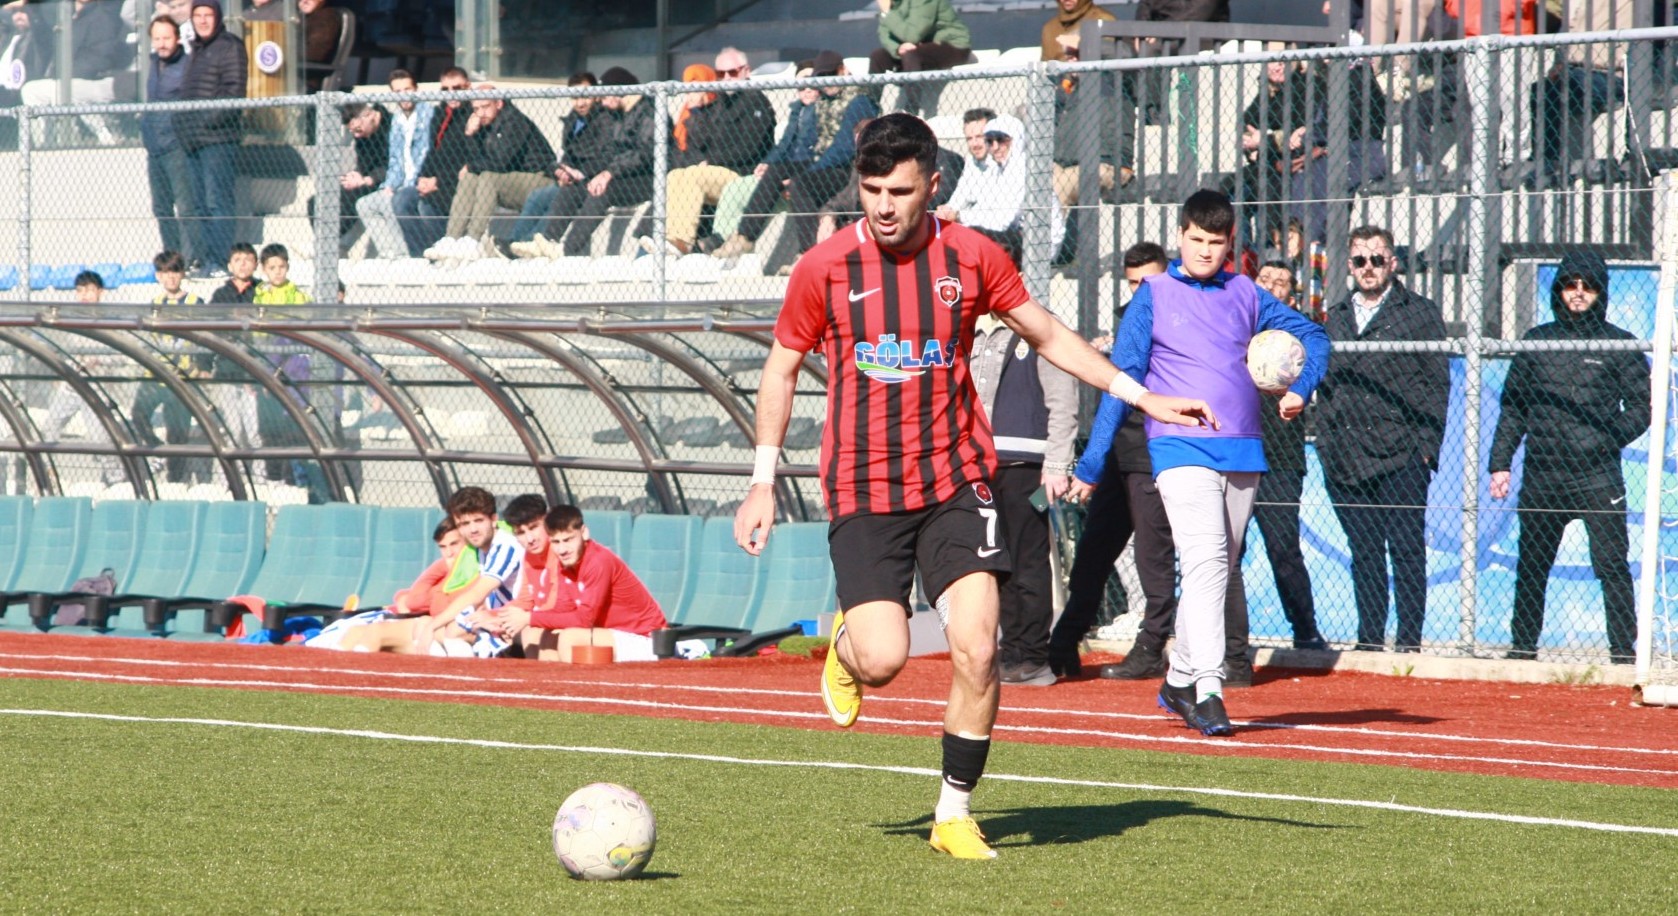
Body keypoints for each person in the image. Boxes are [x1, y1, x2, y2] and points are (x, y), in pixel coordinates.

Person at [732, 113, 1216, 859]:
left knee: (979, 649)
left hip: (958, 479)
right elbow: (781, 367)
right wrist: (762, 480)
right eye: (870, 190)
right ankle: (850, 649)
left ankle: (953, 814)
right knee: (886, 656)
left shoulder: (972, 255)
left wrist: (1142, 394)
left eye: (899, 189)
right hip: (863, 487)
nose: (883, 206)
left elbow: (1049, 335)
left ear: (933, 184)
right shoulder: (823, 266)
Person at [1068, 190, 1330, 736]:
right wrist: (1092, 463)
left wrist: (1301, 387)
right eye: (1196, 241)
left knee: (1215, 570)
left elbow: (1315, 336)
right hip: (1176, 447)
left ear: (1230, 243)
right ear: (1180, 236)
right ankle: (1209, 687)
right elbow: (1121, 381)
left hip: (1244, 450)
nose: (1205, 252)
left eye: (1216, 243)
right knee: (1207, 559)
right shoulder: (1155, 296)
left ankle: (1179, 678)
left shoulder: (1246, 293)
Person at [1490, 251, 1648, 663]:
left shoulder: (1621, 345)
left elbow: (1640, 408)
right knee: (1532, 566)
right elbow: (1514, 408)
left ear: (1601, 291)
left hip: (1597, 476)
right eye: (1570, 283)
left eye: (1588, 285)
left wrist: (1606, 438)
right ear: (1559, 288)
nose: (1578, 293)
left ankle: (1623, 654)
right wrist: (1500, 464)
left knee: (1612, 566)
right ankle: (1522, 649)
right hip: (1544, 475)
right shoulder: (1536, 340)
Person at [1047, 244, 1183, 683]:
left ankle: (1151, 645)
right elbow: (1118, 386)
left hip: (1152, 453)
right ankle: (1064, 643)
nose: (1140, 289)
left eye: (1148, 279)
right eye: (1132, 282)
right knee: (1094, 552)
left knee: (1153, 556)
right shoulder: (1130, 315)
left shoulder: (1180, 311)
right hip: (1119, 453)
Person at [1315, 225, 1448, 652]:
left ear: (1393, 262)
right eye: (1359, 260)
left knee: (1407, 548)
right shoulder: (1334, 317)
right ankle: (1369, 641)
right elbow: (1326, 384)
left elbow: (1436, 385)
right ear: (1350, 266)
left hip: (1403, 453)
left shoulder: (1420, 313)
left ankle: (1409, 643)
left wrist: (1427, 449)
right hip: (1346, 456)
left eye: (1377, 259)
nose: (1368, 268)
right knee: (1365, 551)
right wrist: (1325, 444)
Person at [969, 301, 1077, 686]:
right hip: (975, 466)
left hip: (1026, 467)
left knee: (1027, 561)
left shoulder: (1040, 322)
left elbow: (1063, 398)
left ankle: (1032, 655)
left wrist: (1058, 464)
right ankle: (1010, 650)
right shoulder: (969, 323)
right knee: (992, 564)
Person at [711, 51, 878, 261]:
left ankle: (808, 253)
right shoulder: (822, 101)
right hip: (822, 162)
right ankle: (744, 236)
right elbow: (799, 143)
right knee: (777, 171)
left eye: (831, 73)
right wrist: (772, 162)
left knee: (800, 184)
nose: (826, 81)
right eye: (821, 76)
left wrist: (809, 172)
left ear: (843, 71)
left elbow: (844, 149)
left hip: (848, 168)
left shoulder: (858, 100)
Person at [1248, 259, 1329, 651]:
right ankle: (1228, 636)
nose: (1271, 287)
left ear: (1291, 295)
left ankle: (1306, 630)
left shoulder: (1296, 339)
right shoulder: (1238, 327)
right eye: (1264, 279)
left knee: (1283, 548)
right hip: (1238, 452)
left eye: (1280, 283)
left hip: (1280, 459)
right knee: (1225, 550)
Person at [639, 50, 776, 257]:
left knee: (694, 176)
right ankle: (669, 238)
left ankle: (682, 242)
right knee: (675, 175)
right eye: (720, 74)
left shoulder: (755, 100)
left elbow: (750, 149)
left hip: (742, 172)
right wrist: (696, 113)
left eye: (732, 72)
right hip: (715, 170)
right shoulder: (720, 102)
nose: (726, 78)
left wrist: (710, 160)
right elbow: (701, 142)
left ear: (746, 71)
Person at [496, 505, 668, 662]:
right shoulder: (564, 563)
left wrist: (529, 617)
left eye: (568, 540)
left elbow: (585, 619)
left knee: (570, 637)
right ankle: (549, 691)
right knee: (537, 634)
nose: (562, 550)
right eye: (556, 542)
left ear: (584, 533)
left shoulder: (598, 561)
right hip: (609, 635)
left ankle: (582, 691)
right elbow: (562, 609)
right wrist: (516, 621)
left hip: (647, 639)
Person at [538, 66, 666, 260]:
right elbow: (610, 152)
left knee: (602, 191)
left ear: (619, 91)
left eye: (604, 95)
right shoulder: (619, 115)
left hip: (650, 179)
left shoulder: (648, 113)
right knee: (577, 187)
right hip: (624, 175)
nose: (602, 102)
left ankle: (567, 250)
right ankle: (548, 241)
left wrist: (609, 172)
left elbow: (645, 154)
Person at [426, 85, 555, 262]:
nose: (481, 113)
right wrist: (470, 134)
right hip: (511, 178)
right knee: (471, 176)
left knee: (487, 177)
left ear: (499, 103)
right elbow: (478, 161)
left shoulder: (514, 121)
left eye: (485, 106)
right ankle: (452, 238)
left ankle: (473, 239)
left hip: (540, 179)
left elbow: (499, 163)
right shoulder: (486, 124)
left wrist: (472, 165)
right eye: (476, 109)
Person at [174, 0, 247, 279]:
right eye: (198, 15)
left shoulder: (230, 46)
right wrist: (183, 125)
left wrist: (203, 123)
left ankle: (219, 260)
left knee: (218, 202)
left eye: (208, 15)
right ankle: (206, 260)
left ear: (218, 18)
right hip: (193, 140)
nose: (203, 21)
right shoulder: (196, 50)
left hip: (218, 139)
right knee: (198, 204)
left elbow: (233, 92)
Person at [325, 517, 470, 653]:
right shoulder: (446, 570)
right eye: (443, 547)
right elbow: (413, 598)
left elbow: (417, 602)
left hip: (440, 629)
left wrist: (445, 568)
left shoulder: (472, 571)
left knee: (376, 633)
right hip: (427, 625)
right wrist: (443, 567)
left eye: (454, 544)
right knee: (354, 631)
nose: (449, 553)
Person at [413, 485, 524, 657]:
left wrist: (433, 626)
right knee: (429, 625)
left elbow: (478, 593)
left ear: (494, 519)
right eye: (464, 523)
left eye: (478, 521)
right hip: (499, 618)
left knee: (449, 630)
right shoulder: (481, 549)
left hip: (518, 620)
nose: (472, 529)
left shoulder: (506, 546)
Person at [508, 72, 609, 259]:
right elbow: (567, 155)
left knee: (559, 199)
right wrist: (559, 171)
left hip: (589, 180)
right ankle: (513, 243)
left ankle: (531, 243)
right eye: (575, 97)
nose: (580, 103)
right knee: (537, 197)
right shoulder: (573, 120)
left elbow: (604, 157)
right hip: (572, 179)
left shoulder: (604, 120)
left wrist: (580, 173)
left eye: (585, 96)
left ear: (596, 95)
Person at [19, 0, 128, 143]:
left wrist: (64, 76)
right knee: (35, 90)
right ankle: (45, 145)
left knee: (37, 91)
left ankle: (108, 137)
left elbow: (100, 58)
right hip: (68, 80)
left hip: (96, 80)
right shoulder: (65, 15)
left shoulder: (103, 16)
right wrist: (32, 8)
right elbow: (45, 42)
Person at [355, 69, 433, 259]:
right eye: (398, 91)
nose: (404, 95)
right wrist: (389, 185)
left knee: (398, 201)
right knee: (365, 204)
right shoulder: (397, 119)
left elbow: (425, 154)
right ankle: (391, 253)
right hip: (401, 182)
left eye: (408, 89)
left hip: (419, 181)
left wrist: (405, 185)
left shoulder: (428, 114)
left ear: (416, 89)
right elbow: (395, 159)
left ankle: (407, 255)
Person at [142, 14, 197, 263]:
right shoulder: (153, 63)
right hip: (154, 147)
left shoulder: (187, 65)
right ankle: (172, 259)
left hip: (176, 146)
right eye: (157, 38)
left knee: (186, 207)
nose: (162, 43)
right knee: (161, 208)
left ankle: (193, 257)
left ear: (177, 38)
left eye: (166, 38)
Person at [410, 66, 474, 256]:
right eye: (445, 90)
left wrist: (437, 181)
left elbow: (469, 160)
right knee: (402, 200)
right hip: (436, 179)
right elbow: (433, 152)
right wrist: (423, 178)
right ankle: (419, 255)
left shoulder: (473, 114)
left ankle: (444, 251)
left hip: (459, 181)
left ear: (468, 87)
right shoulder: (440, 114)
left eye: (457, 88)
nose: (451, 94)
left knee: (427, 204)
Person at [869, 0, 971, 116]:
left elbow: (913, 34)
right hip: (918, 45)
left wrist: (887, 13)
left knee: (911, 56)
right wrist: (897, 48)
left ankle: (911, 111)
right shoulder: (890, 4)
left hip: (952, 46)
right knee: (878, 56)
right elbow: (884, 33)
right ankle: (871, 107)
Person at [336, 102, 391, 249]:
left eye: (358, 130)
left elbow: (392, 166)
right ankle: (327, 242)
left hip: (385, 181)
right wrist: (356, 175)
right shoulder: (362, 137)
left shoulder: (392, 127)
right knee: (318, 200)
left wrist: (368, 179)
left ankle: (332, 243)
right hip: (368, 178)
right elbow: (363, 165)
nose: (356, 135)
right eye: (352, 132)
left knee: (352, 200)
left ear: (369, 115)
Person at [1041, 0, 1114, 62]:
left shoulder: (1102, 20)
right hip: (1057, 78)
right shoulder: (1049, 29)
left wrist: (1081, 44)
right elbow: (1044, 67)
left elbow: (1113, 56)